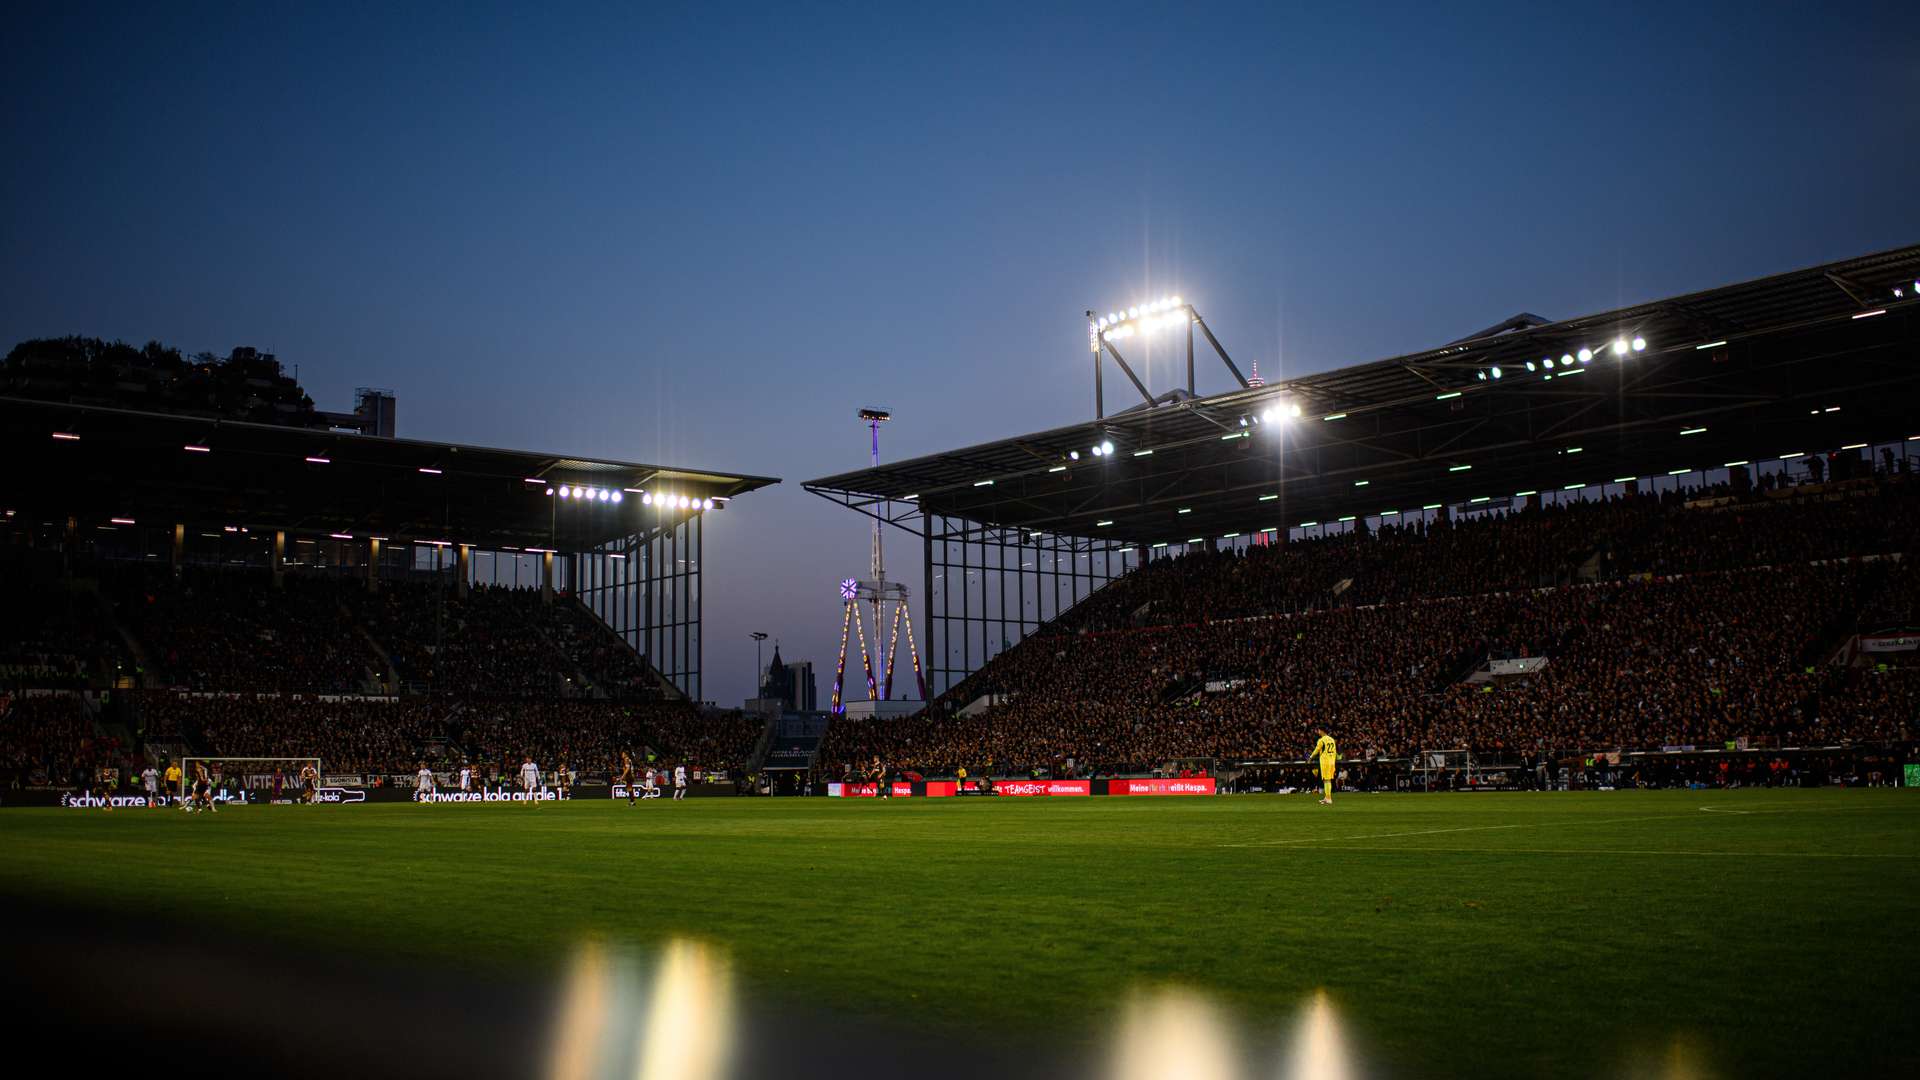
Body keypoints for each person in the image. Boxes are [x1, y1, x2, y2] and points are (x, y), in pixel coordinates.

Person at [1312, 727, 1338, 806]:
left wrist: (1310, 757)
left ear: (1321, 731)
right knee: (1327, 780)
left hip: (1325, 762)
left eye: (1318, 730)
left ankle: (1329, 799)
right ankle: (1327, 798)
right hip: (1331, 762)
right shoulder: (1332, 739)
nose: (1318, 731)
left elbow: (1317, 750)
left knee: (1326, 780)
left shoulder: (1321, 740)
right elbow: (1335, 752)